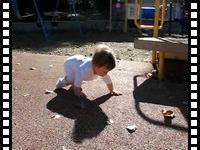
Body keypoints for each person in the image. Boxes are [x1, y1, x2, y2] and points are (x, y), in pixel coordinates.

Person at [56, 44, 122, 98]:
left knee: (78, 79)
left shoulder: (100, 68)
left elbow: (108, 80)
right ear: (96, 65)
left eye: (108, 71)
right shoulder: (85, 69)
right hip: (70, 64)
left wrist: (112, 90)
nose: (106, 74)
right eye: (105, 71)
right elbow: (78, 77)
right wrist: (77, 92)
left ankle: (75, 83)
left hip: (78, 62)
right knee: (71, 79)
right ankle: (61, 82)